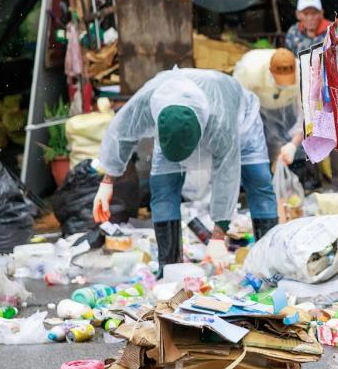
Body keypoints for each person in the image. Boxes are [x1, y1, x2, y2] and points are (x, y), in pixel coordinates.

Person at [91, 68, 279, 268]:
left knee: (258, 179)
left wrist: (218, 236)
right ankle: (169, 267)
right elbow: (121, 132)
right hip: (177, 133)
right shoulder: (149, 101)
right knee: (162, 187)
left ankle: (269, 264)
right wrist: (107, 181)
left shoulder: (222, 121)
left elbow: (227, 174)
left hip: (242, 125)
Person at [232, 48, 302, 165]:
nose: (284, 84)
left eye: (289, 80)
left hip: (287, 104)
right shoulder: (249, 71)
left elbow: (307, 117)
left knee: (290, 146)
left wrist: (293, 145)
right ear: (271, 71)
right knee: (259, 144)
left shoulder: (304, 74)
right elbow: (237, 106)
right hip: (256, 104)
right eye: (280, 80)